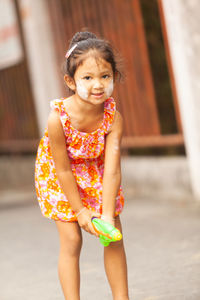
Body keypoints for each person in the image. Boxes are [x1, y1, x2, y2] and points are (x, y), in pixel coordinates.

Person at [35, 31, 129, 300]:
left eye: (105, 76)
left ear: (114, 77)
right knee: (73, 240)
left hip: (95, 171)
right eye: (87, 78)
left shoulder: (113, 118)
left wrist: (107, 215)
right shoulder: (58, 119)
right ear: (71, 81)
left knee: (113, 237)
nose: (97, 85)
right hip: (57, 175)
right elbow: (62, 169)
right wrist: (81, 211)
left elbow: (112, 169)